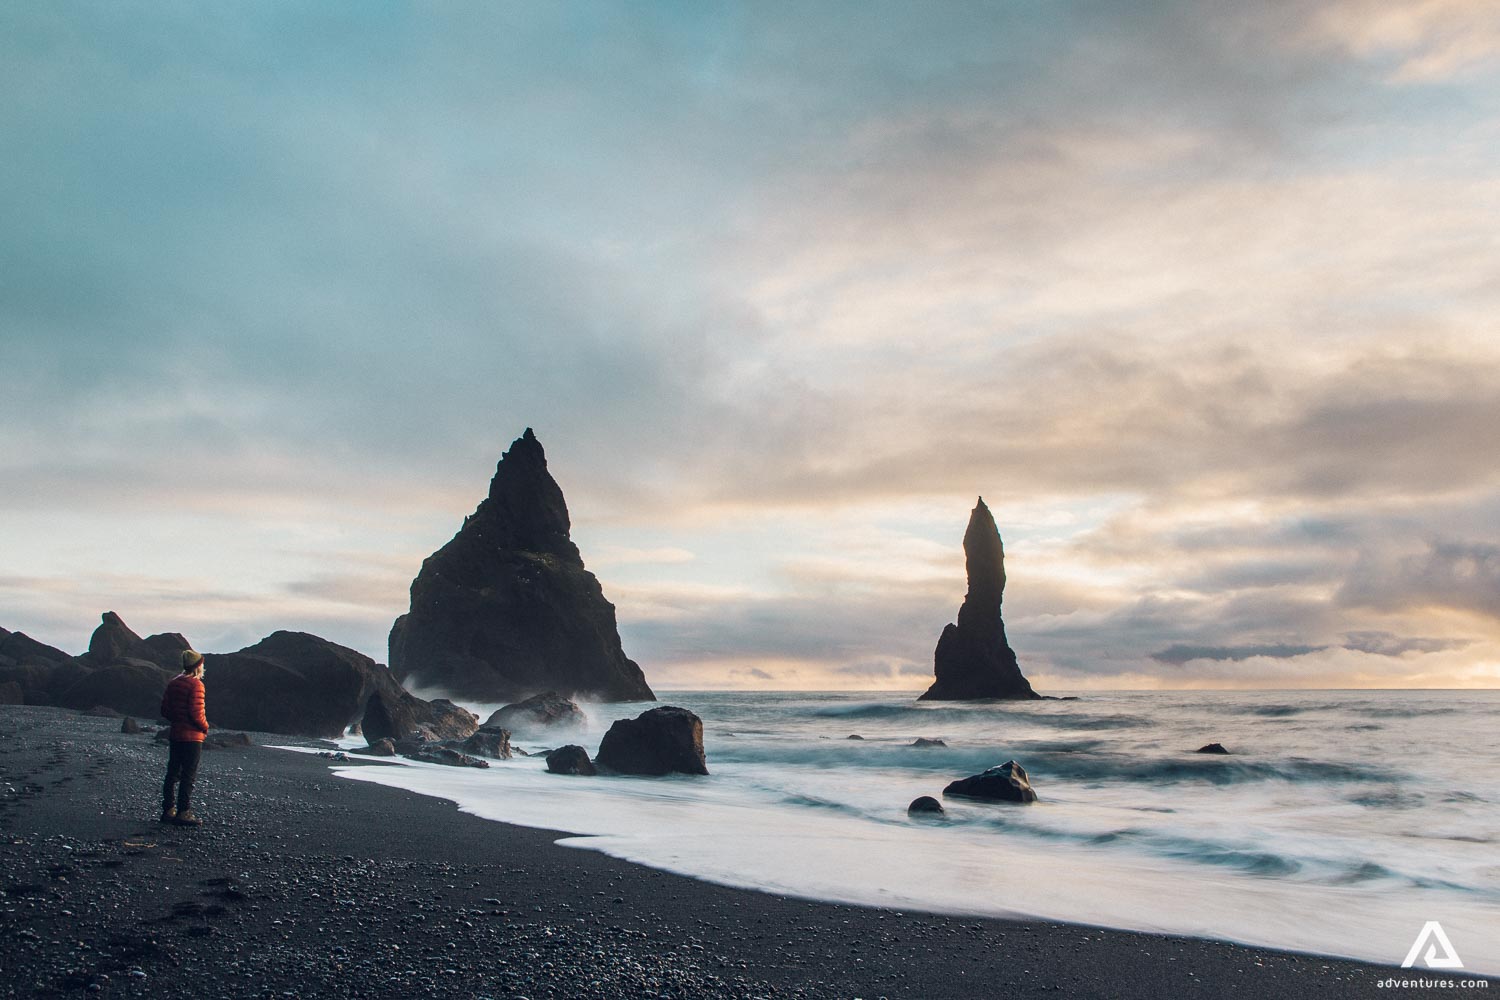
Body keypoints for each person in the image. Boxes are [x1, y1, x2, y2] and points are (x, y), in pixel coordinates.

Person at [159, 648, 209, 826]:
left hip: (176, 734)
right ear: (197, 666)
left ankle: (168, 810)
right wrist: (205, 727)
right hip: (192, 738)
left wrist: (177, 720)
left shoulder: (173, 683)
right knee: (188, 775)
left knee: (172, 773)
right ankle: (184, 812)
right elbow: (197, 713)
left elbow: (165, 709)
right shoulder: (196, 685)